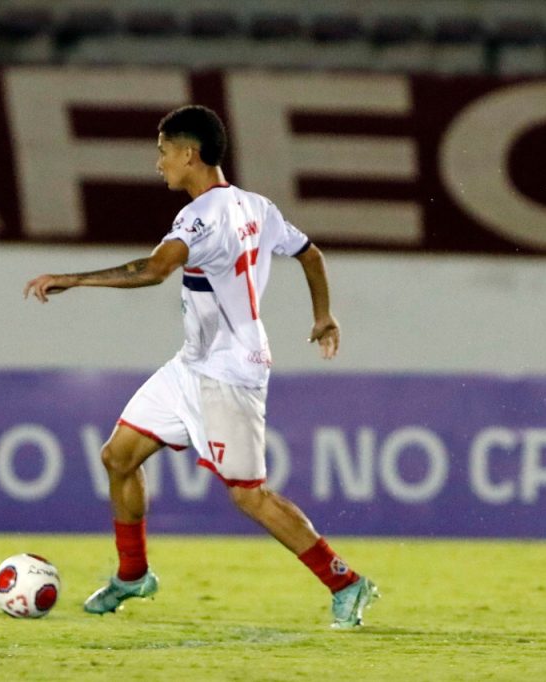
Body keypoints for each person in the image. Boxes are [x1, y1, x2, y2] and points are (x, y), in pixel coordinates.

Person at [23, 105, 378, 629]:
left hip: (229, 375)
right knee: (119, 456)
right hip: (191, 365)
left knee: (250, 496)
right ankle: (133, 574)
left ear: (189, 155)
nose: (159, 163)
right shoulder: (259, 207)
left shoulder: (199, 216)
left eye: (164, 152)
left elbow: (154, 269)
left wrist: (72, 279)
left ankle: (346, 582)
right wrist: (323, 315)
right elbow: (311, 255)